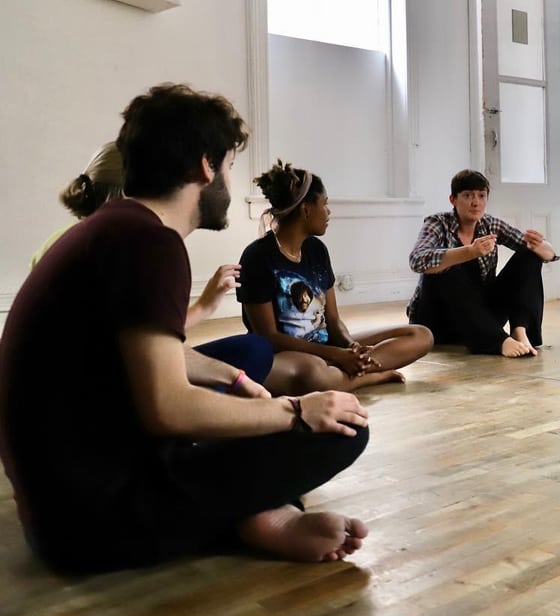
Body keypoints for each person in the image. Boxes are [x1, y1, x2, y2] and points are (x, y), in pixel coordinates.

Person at [0, 83, 370, 575]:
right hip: (95, 526)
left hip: (60, 510)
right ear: (204, 166)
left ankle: (258, 513)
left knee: (243, 397)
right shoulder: (151, 245)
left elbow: (151, 354)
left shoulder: (114, 228)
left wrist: (236, 380)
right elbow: (168, 409)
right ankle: (250, 515)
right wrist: (295, 410)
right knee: (343, 429)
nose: (229, 182)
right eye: (229, 167)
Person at [33, 140, 269, 388]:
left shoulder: (69, 237)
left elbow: (135, 331)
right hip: (94, 387)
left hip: (94, 369)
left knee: (253, 350)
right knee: (252, 355)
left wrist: (204, 307)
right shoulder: (122, 245)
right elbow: (128, 353)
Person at [239, 160, 434, 394]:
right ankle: (367, 377)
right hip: (288, 356)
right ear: (306, 209)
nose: (328, 212)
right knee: (314, 375)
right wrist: (336, 355)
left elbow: (332, 320)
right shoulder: (257, 257)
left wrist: (350, 347)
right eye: (325, 204)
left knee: (421, 335)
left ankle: (347, 371)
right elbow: (268, 337)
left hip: (326, 347)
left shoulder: (316, 250)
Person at [407, 169, 559, 357]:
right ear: (453, 199)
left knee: (528, 255)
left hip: (480, 317)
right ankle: (497, 341)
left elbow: (544, 252)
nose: (475, 202)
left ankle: (520, 331)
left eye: (481, 196)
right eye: (467, 195)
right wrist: (468, 252)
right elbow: (417, 259)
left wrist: (542, 246)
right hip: (438, 321)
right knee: (447, 268)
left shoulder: (490, 224)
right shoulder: (438, 223)